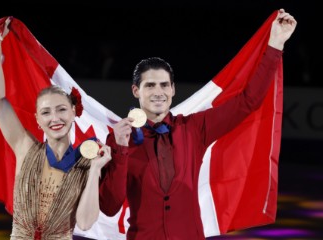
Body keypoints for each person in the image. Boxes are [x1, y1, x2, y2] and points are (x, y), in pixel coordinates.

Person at [98, 9, 297, 240]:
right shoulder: (120, 138)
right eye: (150, 86)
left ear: (173, 89)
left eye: (164, 85)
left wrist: (276, 44)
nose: (158, 92)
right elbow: (110, 206)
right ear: (136, 91)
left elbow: (248, 102)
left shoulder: (194, 128)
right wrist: (121, 149)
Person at [0, 17, 112, 239]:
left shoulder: (86, 162)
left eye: (61, 110)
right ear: (37, 119)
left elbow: (84, 222)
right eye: (46, 112)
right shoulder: (25, 146)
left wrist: (95, 170)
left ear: (74, 112)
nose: (55, 118)